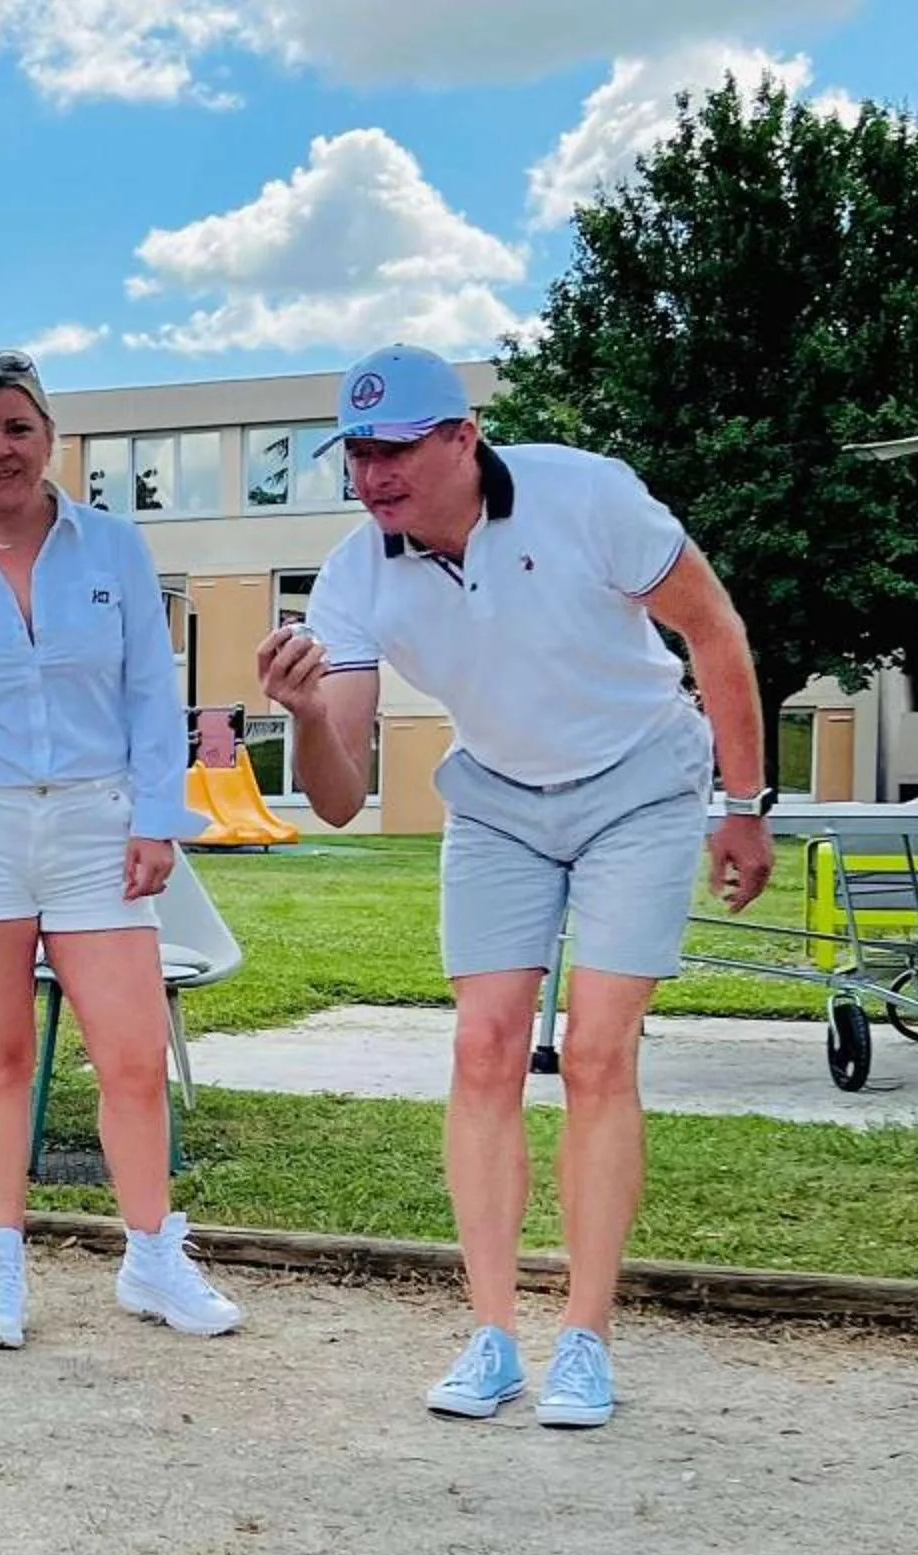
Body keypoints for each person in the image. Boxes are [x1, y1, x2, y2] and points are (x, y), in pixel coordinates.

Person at [260, 343, 775, 1429]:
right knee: (482, 1045)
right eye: (356, 455)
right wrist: (303, 716)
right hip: (496, 797)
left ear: (462, 438)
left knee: (595, 1050)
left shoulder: (586, 494)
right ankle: (492, 1336)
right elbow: (343, 796)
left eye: (395, 449)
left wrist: (744, 803)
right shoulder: (356, 573)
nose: (373, 477)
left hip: (639, 781)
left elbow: (712, 627)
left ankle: (584, 1338)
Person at [0, 349, 241, 1350]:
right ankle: (1, 1267)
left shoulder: (112, 551)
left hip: (97, 826)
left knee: (134, 1054)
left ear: (50, 438)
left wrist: (160, 819)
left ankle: (152, 1258)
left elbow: (154, 690)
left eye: (15, 429)